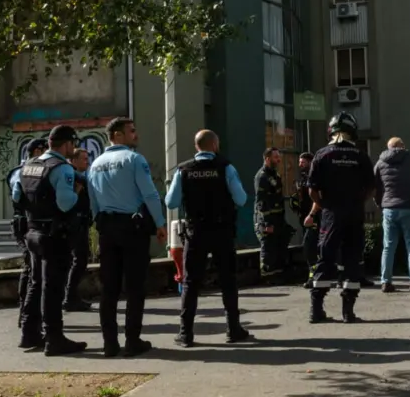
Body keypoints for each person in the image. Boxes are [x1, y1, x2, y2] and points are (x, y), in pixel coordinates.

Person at [165, 129, 253, 346]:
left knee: (190, 283)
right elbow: (241, 199)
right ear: (215, 145)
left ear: (197, 146)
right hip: (222, 231)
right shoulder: (225, 167)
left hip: (196, 232)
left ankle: (185, 333)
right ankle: (233, 329)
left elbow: (171, 202)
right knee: (228, 281)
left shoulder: (183, 170)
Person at [87, 116, 166, 358]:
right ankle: (132, 341)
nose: (136, 134)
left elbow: (93, 202)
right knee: (134, 287)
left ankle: (109, 343)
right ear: (117, 135)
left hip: (107, 229)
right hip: (132, 228)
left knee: (109, 289)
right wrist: (160, 224)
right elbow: (150, 194)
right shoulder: (133, 159)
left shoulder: (95, 163)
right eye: (132, 131)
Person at [12, 125, 87, 356]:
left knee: (36, 283)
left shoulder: (28, 166)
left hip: (32, 232)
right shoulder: (61, 168)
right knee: (52, 288)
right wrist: (77, 189)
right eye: (72, 144)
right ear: (66, 144)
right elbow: (65, 203)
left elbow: (16, 196)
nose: (73, 148)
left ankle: (29, 333)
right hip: (54, 235)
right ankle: (54, 339)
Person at [305, 112, 375, 323]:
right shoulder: (360, 155)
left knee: (325, 258)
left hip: (330, 215)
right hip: (354, 213)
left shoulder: (322, 155)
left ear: (331, 130)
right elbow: (371, 188)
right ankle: (348, 312)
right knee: (352, 260)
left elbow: (312, 190)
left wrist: (326, 205)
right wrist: (358, 201)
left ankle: (316, 311)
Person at [374, 137, 410, 293]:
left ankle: (386, 281)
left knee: (388, 246)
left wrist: (379, 203)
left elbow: (375, 184)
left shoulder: (381, 162)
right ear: (402, 146)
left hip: (389, 208)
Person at [8, 137, 48, 329]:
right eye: (43, 151)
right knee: (30, 268)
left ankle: (29, 314)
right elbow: (16, 196)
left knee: (33, 268)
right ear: (36, 151)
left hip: (28, 221)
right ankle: (25, 313)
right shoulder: (22, 171)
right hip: (24, 221)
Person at [254, 147, 292, 284]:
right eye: (276, 157)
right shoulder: (262, 177)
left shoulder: (275, 175)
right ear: (267, 158)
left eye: (279, 157)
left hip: (278, 218)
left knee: (280, 245)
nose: (279, 160)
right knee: (268, 246)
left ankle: (279, 275)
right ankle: (267, 277)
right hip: (267, 218)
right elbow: (261, 201)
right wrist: (265, 223)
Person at [63, 148, 94, 312]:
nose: (86, 162)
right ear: (73, 160)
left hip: (81, 223)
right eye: (83, 159)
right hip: (74, 224)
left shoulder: (80, 177)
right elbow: (67, 202)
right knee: (79, 260)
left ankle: (71, 296)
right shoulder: (72, 177)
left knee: (78, 261)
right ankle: (69, 297)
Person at [289, 152, 320, 289]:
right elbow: (298, 196)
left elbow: (318, 198)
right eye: (300, 162)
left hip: (315, 217)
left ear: (310, 162)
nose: (300, 164)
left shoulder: (315, 177)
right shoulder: (301, 179)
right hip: (304, 218)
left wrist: (312, 214)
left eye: (303, 162)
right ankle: (314, 274)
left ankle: (314, 276)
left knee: (310, 246)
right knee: (310, 247)